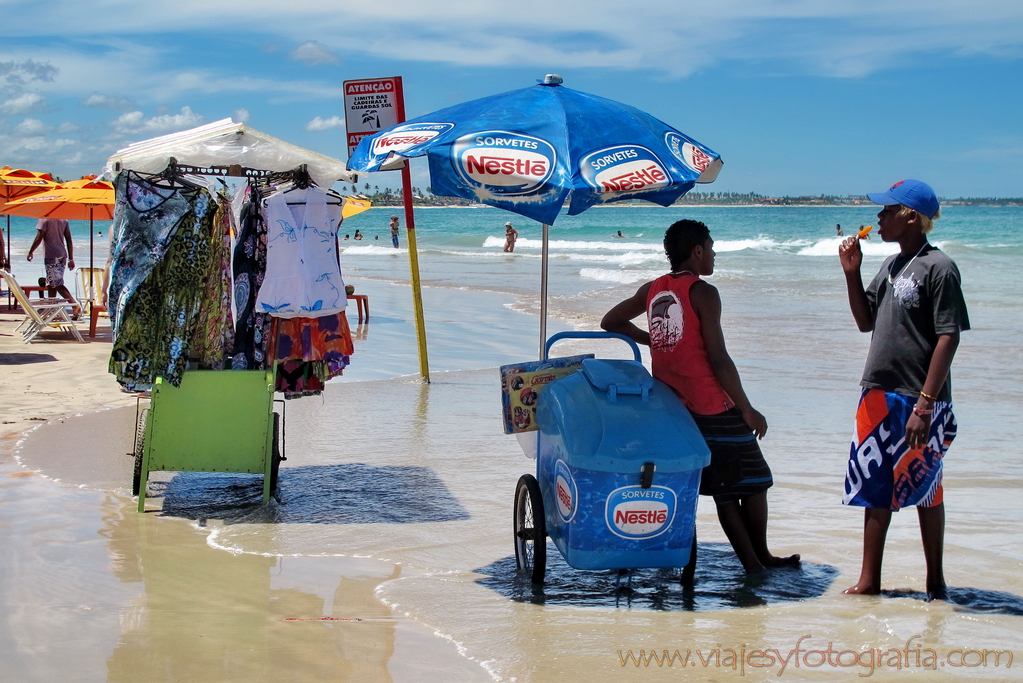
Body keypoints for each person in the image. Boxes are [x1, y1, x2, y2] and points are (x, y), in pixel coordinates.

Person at [601, 219, 799, 574]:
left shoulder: (653, 289)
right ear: (697, 251)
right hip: (711, 404)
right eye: (711, 247)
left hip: (675, 408)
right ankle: (756, 563)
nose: (714, 254)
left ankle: (758, 560)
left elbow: (611, 321)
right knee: (755, 481)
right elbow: (719, 359)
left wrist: (657, 339)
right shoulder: (704, 292)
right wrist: (747, 408)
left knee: (727, 489)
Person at [838, 179, 969, 601]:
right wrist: (852, 273)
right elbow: (865, 322)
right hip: (877, 391)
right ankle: (869, 581)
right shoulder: (892, 266)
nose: (878, 217)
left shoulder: (939, 266)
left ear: (911, 216)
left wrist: (926, 405)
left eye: (887, 210)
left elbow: (949, 336)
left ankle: (936, 583)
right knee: (875, 486)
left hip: (920, 399)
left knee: (927, 487)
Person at [26, 217, 80, 314]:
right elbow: (69, 240)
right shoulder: (64, 220)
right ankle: (52, 308)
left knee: (57, 283)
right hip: (62, 255)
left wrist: (31, 252)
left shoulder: (44, 219)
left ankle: (74, 304)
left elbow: (39, 237)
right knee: (52, 283)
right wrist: (71, 258)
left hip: (51, 255)